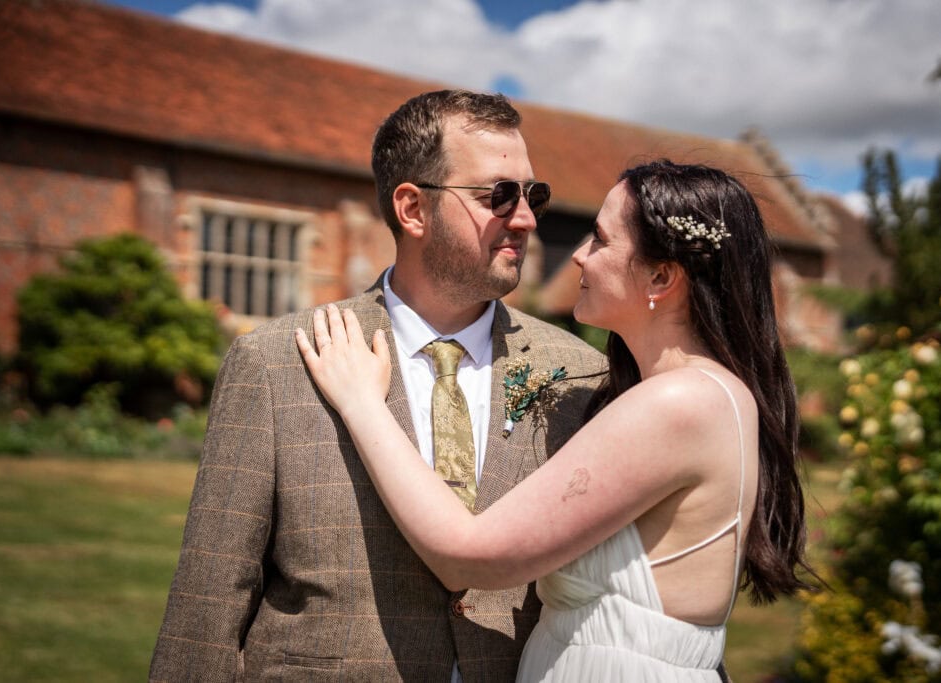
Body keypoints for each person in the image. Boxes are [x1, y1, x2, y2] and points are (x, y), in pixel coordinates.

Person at [296, 161, 815, 681]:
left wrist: (362, 403)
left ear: (661, 276)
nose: (581, 257)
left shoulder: (680, 401)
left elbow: (468, 557)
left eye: (602, 239)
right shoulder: (700, 393)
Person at [150, 89, 605, 681]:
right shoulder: (273, 362)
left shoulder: (576, 372)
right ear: (413, 209)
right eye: (498, 195)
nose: (524, 218)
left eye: (532, 195)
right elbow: (208, 597)